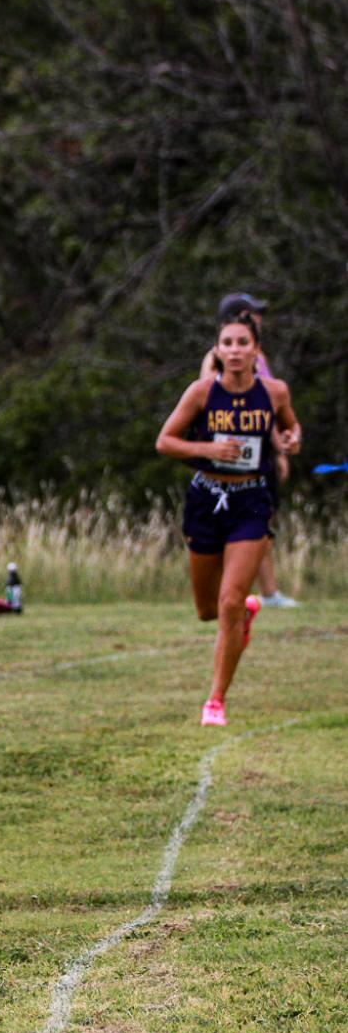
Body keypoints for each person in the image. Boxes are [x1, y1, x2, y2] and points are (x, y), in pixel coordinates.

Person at [157, 311, 300, 726]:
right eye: (228, 343)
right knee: (208, 610)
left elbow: (290, 429)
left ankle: (215, 700)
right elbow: (164, 441)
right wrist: (208, 451)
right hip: (207, 498)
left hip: (252, 500)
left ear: (256, 350)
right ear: (217, 350)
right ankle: (247, 613)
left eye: (242, 343)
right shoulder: (202, 393)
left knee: (230, 602)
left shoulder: (274, 392)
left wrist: (291, 440)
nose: (235, 350)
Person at [199, 291, 302, 605]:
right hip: (230, 454)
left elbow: (268, 408)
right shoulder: (215, 359)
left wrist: (280, 449)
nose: (258, 319)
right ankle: (237, 590)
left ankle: (265, 592)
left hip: (260, 450)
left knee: (261, 521)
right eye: (252, 314)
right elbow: (209, 400)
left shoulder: (260, 359)